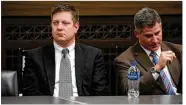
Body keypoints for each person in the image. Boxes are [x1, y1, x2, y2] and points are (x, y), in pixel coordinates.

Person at [22, 3, 108, 97]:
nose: (59, 27)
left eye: (65, 23)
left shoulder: (93, 55)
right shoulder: (35, 56)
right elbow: (30, 93)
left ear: (76, 27)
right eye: (55, 23)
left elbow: (100, 92)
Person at [114, 7, 182, 95]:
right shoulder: (124, 60)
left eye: (157, 33)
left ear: (161, 27)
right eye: (148, 36)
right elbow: (128, 89)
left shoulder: (179, 51)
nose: (155, 40)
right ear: (137, 34)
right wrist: (157, 68)